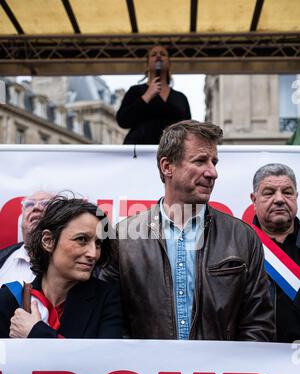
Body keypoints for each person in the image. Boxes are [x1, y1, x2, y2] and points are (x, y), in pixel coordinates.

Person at [100, 120, 275, 341]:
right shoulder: (122, 238)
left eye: (214, 162)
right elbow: (110, 322)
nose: (212, 172)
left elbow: (258, 323)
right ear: (167, 166)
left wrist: (233, 371)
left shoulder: (242, 237)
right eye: (200, 161)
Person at [0, 196, 123, 339]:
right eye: (81, 239)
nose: (93, 253)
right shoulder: (10, 298)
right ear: (48, 241)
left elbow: (104, 359)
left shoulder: (107, 299)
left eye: (98, 244)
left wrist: (36, 332)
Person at [251, 163, 300, 342]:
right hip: (257, 360)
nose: (279, 199)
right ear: (253, 200)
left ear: (296, 196)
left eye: (287, 192)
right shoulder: (237, 247)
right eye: (269, 192)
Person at [116, 45, 191, 144]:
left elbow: (188, 130)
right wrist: (146, 96)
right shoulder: (135, 91)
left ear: (169, 64)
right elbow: (123, 121)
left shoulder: (180, 98)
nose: (158, 56)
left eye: (163, 54)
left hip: (171, 152)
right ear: (147, 65)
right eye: (154, 54)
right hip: (139, 151)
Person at [0, 190, 54, 286]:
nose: (36, 207)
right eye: (29, 204)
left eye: (46, 203)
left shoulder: (71, 263)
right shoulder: (3, 257)